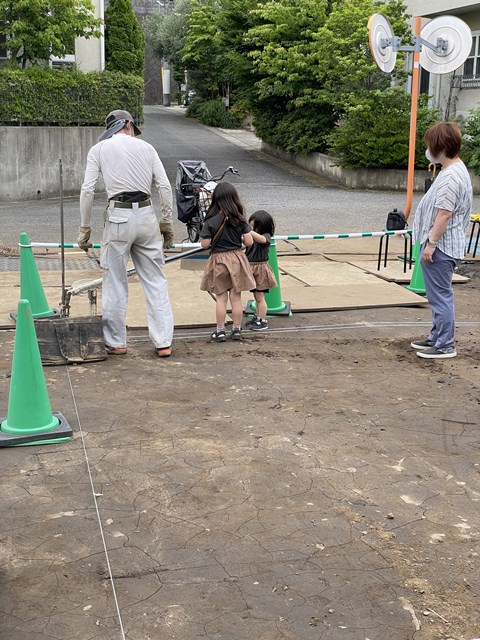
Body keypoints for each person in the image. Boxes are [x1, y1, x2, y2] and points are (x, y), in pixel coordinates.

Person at [78, 109, 175, 358]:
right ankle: (163, 342)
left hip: (118, 217)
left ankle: (116, 342)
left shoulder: (99, 149)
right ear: (129, 125)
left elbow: (87, 190)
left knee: (115, 282)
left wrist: (85, 227)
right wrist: (166, 223)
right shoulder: (148, 148)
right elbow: (164, 187)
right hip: (146, 215)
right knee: (155, 280)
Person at [411, 121, 472, 359]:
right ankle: (436, 336)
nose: (428, 150)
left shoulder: (451, 177)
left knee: (440, 296)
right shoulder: (454, 169)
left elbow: (444, 213)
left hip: (442, 247)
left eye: (431, 145)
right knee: (437, 295)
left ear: (441, 147)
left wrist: (431, 244)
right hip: (445, 245)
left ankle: (445, 344)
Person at [199, 182, 255, 342]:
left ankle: (220, 331)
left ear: (215, 198)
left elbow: (205, 244)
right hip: (237, 259)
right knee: (236, 298)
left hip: (219, 260)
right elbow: (249, 241)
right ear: (234, 198)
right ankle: (236, 330)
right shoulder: (239, 218)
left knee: (221, 298)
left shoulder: (211, 220)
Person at [245, 210, 277, 331]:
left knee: (260, 296)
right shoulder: (252, 237)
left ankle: (262, 321)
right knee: (256, 296)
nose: (251, 228)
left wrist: (248, 231)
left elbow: (262, 240)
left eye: (254, 226)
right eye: (250, 225)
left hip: (261, 270)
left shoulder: (266, 236)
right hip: (252, 268)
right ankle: (258, 317)